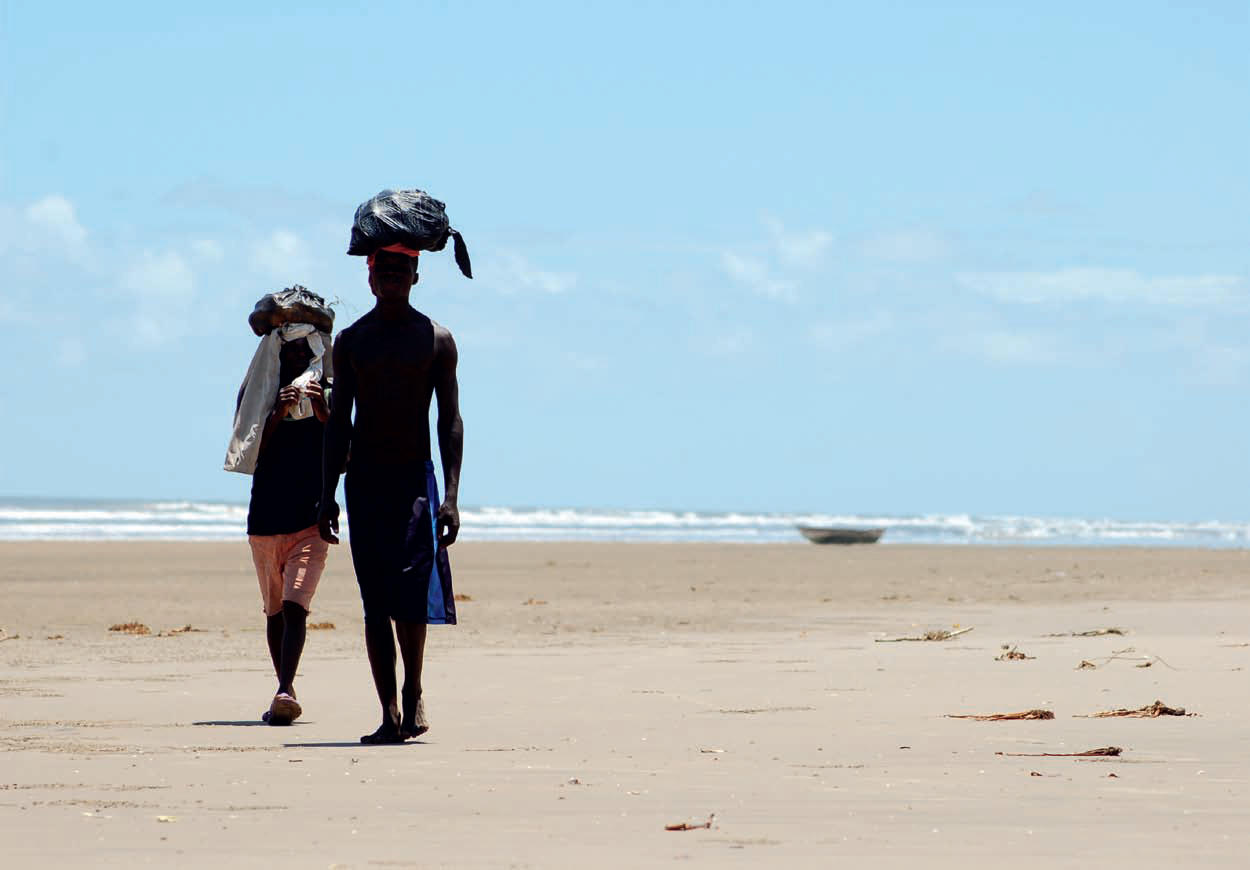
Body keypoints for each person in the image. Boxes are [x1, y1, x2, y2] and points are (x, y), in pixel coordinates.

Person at [318, 247, 462, 744]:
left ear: (416, 276)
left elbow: (449, 419)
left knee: (410, 596)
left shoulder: (436, 340)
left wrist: (451, 495)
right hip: (365, 483)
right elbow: (339, 423)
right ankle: (389, 712)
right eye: (384, 270)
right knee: (375, 602)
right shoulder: (352, 341)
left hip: (414, 483)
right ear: (371, 279)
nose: (393, 277)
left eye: (402, 270)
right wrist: (327, 494)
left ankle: (413, 688)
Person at [243, 333, 331, 726]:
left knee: (296, 606)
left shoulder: (328, 394)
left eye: (303, 348)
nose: (296, 355)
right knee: (275, 611)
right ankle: (287, 688)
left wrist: (324, 412)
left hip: (310, 521)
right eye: (289, 348)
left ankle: (282, 688)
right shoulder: (260, 396)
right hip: (265, 521)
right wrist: (278, 412)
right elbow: (248, 452)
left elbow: (345, 454)